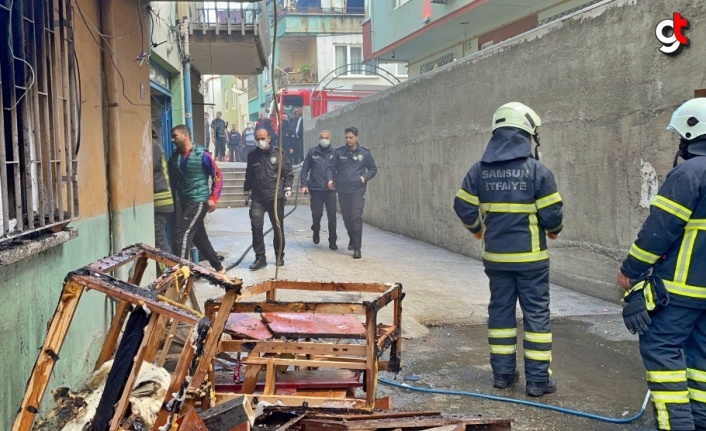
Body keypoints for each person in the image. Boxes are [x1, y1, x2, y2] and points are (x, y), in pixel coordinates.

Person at [453, 102, 563, 397]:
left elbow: (462, 205)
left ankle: (502, 375)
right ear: (526, 134)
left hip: (496, 260)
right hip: (532, 261)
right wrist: (552, 231)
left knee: (500, 315)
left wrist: (477, 229)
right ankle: (538, 381)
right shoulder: (538, 171)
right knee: (536, 316)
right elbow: (553, 216)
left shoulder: (479, 171)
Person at [618, 98, 706, 431]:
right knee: (701, 365)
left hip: (681, 292)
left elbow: (659, 229)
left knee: (661, 350)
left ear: (689, 134)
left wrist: (631, 270)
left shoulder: (689, 173)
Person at [167, 124, 226, 274]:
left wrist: (213, 198)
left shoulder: (202, 155)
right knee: (199, 238)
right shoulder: (175, 158)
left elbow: (217, 177)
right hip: (185, 201)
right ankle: (219, 268)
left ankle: (180, 272)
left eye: (175, 136)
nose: (172, 139)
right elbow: (171, 181)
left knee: (182, 234)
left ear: (185, 135)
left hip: (199, 200)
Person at [243, 128, 294, 270]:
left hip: (275, 196)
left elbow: (288, 173)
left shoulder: (279, 154)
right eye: (258, 138)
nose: (261, 141)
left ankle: (279, 255)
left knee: (278, 227)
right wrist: (246, 190)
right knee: (256, 226)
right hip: (258, 198)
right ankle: (260, 258)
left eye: (263, 138)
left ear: (269, 138)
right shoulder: (252, 156)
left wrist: (288, 187)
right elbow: (249, 175)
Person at [326, 126, 377, 259]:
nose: (348, 140)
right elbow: (331, 167)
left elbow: (373, 169)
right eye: (346, 137)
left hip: (357, 190)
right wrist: (330, 179)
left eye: (351, 137)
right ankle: (352, 239)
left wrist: (364, 176)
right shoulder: (339, 152)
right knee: (347, 218)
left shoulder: (364, 153)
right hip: (343, 190)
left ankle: (357, 248)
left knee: (356, 217)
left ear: (356, 138)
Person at [301, 130, 337, 250]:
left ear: (330, 138)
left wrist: (335, 181)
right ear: (319, 138)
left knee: (332, 216)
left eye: (326, 137)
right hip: (315, 189)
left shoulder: (335, 153)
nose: (324, 140)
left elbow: (339, 169)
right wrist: (304, 185)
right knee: (317, 214)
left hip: (330, 190)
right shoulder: (312, 152)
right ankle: (316, 229)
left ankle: (332, 240)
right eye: (322, 137)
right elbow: (305, 169)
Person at [152, 127, 174, 256]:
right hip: (162, 200)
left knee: (159, 242)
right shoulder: (157, 145)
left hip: (159, 201)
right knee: (160, 239)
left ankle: (169, 270)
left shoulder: (152, 145)